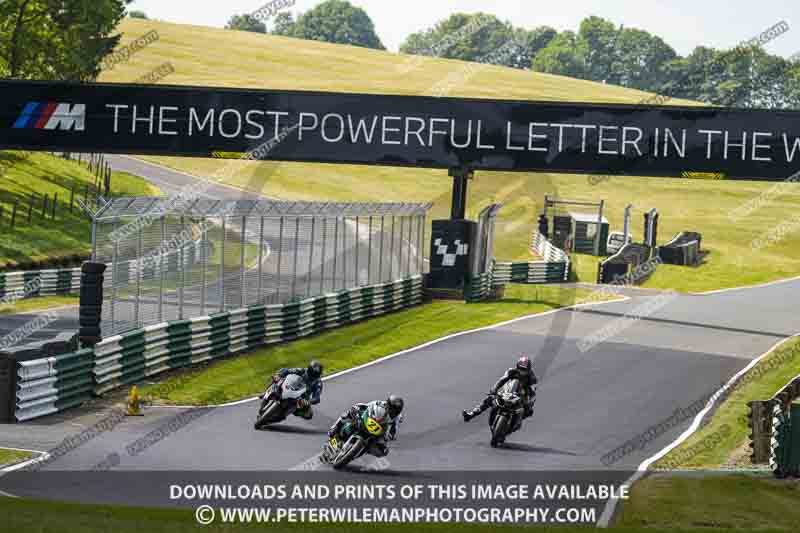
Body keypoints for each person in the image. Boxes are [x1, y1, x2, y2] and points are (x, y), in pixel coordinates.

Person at [462, 356, 537, 422]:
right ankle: (471, 414)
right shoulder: (511, 371)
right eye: (520, 369)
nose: (522, 371)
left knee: (528, 411)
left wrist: (528, 403)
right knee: (490, 399)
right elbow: (502, 380)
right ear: (517, 367)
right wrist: (494, 389)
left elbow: (533, 391)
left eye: (524, 370)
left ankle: (517, 420)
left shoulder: (532, 378)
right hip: (508, 391)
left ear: (528, 370)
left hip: (522, 395)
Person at [327, 395, 404, 457]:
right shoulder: (380, 404)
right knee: (352, 410)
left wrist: (390, 436)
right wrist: (359, 411)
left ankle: (366, 449)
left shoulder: (397, 418)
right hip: (368, 418)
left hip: (379, 430)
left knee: (384, 451)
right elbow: (368, 407)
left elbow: (393, 430)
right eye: (391, 409)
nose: (393, 412)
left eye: (396, 411)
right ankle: (336, 426)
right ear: (387, 405)